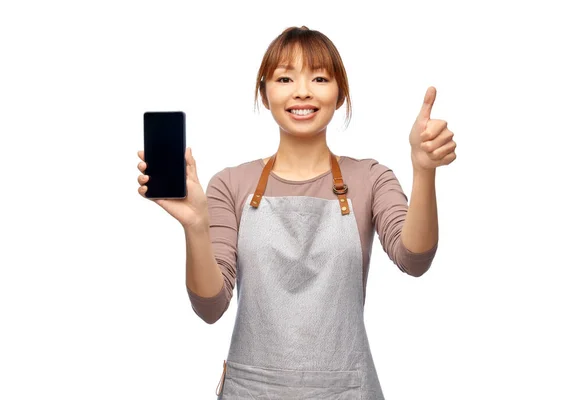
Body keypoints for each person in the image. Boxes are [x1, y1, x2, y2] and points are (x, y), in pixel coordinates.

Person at [136, 25, 456, 399]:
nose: (302, 91)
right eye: (285, 78)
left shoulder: (369, 178)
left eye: (319, 78)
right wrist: (195, 225)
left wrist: (424, 171)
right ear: (265, 93)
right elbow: (211, 306)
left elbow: (414, 259)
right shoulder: (230, 184)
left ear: (340, 95)